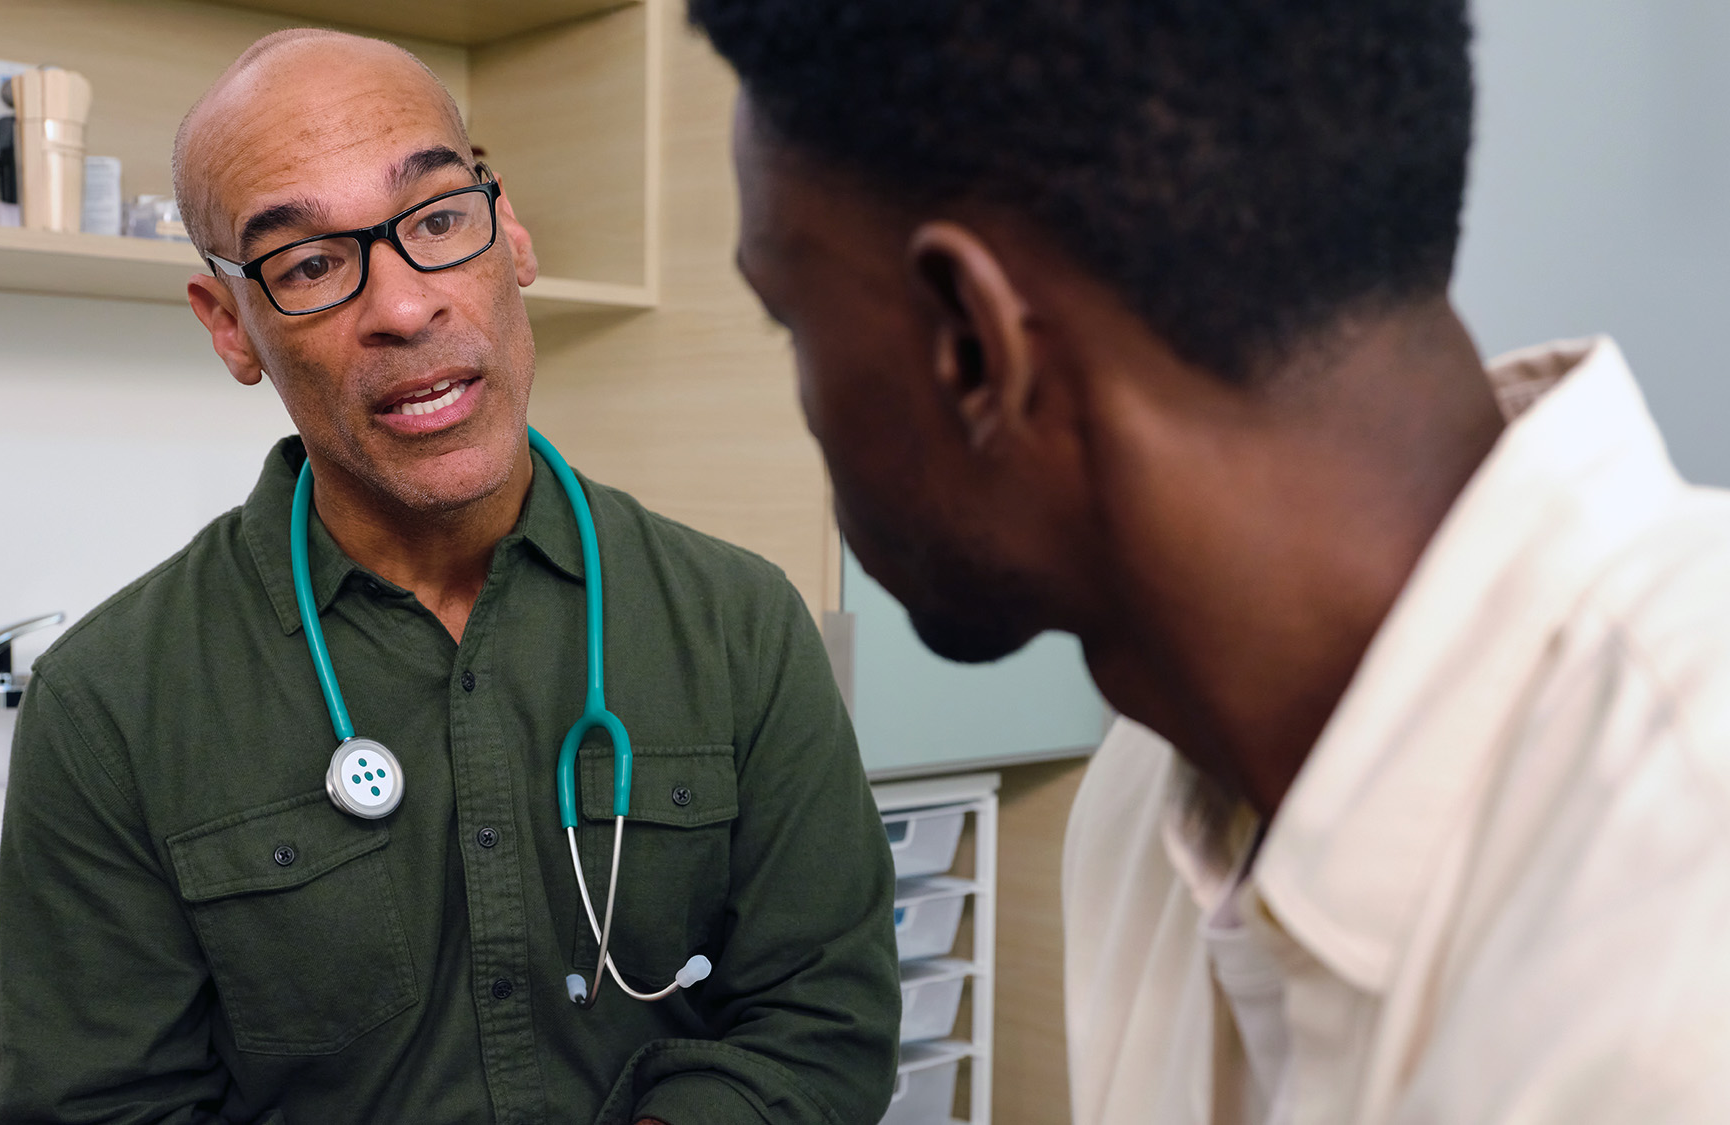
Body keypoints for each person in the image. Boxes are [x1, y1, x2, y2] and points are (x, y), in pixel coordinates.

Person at [692, 0, 1730, 1122]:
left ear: (973, 350)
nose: (804, 397)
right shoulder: (1153, 791)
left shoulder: (1679, 911)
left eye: (788, 319)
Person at [0, 29, 898, 1125]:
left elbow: (824, 1030)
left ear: (507, 233)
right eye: (310, 264)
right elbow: (102, 1110)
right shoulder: (110, 706)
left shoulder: (739, 626)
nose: (404, 306)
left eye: (434, 220)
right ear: (230, 325)